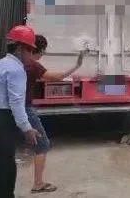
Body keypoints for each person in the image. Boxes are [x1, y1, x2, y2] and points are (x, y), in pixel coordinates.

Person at [0, 25, 40, 198]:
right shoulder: (16, 69)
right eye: (30, 50)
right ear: (20, 49)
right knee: (4, 169)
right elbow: (16, 103)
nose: (31, 55)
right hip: (2, 122)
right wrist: (27, 128)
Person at [22, 35, 84, 194]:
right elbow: (58, 77)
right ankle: (38, 183)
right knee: (42, 145)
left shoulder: (18, 62)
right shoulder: (33, 65)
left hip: (11, 108)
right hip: (25, 108)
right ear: (40, 50)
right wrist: (77, 66)